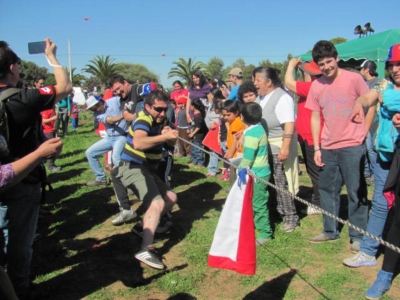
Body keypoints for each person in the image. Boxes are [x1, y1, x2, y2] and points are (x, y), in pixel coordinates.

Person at [0, 38, 72, 299]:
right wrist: (51, 57)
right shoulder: (24, 97)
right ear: (12, 68)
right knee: (19, 243)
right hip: (22, 179)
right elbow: (64, 87)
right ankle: (19, 289)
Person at [305, 40, 370, 251]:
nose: (326, 67)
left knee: (355, 190)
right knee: (327, 189)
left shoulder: (354, 79)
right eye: (321, 64)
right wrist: (317, 147)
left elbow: (369, 102)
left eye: (329, 61)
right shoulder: (316, 86)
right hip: (328, 146)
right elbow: (315, 117)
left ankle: (358, 234)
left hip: (352, 144)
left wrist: (363, 133)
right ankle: (330, 230)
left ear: (337, 58)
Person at [343, 44, 400, 271]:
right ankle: (368, 251)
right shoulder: (384, 85)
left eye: (399, 64)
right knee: (379, 202)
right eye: (392, 64)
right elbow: (369, 97)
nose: (395, 69)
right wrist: (359, 104)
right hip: (385, 154)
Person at [110, 90, 178, 270]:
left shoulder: (162, 120)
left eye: (166, 109)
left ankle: (141, 228)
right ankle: (145, 249)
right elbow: (139, 143)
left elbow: (169, 144)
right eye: (158, 109)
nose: (163, 113)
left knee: (170, 198)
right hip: (132, 167)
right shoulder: (143, 119)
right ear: (147, 107)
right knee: (155, 204)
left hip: (147, 169)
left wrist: (169, 136)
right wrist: (164, 136)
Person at [253, 67, 300, 233]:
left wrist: (285, 147)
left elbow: (289, 124)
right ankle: (276, 211)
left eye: (257, 80)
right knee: (270, 180)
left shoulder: (282, 97)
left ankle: (291, 216)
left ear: (269, 81)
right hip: (265, 146)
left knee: (281, 182)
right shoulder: (261, 98)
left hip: (278, 145)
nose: (255, 83)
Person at [284, 58, 323, 215]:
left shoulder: (313, 87)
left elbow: (289, 83)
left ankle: (320, 203)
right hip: (307, 137)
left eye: (306, 72)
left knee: (316, 172)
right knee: (313, 170)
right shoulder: (312, 85)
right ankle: (318, 197)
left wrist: (290, 66)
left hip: (314, 138)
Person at [238, 102, 272, 245]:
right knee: (253, 201)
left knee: (258, 203)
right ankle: (251, 225)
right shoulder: (259, 128)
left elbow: (248, 158)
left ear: (242, 117)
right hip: (261, 172)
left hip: (257, 174)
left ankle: (265, 232)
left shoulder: (252, 134)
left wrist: (240, 169)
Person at [85, 94, 128, 187]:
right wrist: (124, 116)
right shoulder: (97, 114)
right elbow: (110, 121)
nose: (95, 111)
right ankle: (101, 178)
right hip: (110, 137)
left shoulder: (115, 101)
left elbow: (127, 101)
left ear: (99, 103)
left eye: (94, 108)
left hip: (122, 136)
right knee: (90, 152)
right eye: (92, 109)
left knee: (116, 158)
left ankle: (126, 181)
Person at [355, 60, 380, 186]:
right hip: (361, 120)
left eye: (361, 69)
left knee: (371, 148)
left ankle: (375, 175)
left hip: (374, 121)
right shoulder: (362, 83)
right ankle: (366, 172)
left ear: (367, 69)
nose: (360, 71)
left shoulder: (379, 83)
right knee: (363, 147)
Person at [205, 88, 225, 176]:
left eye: (210, 94)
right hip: (213, 130)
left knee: (225, 150)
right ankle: (212, 170)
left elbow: (224, 117)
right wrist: (210, 125)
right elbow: (207, 118)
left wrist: (219, 125)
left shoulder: (224, 103)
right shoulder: (211, 105)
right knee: (213, 151)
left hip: (223, 130)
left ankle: (227, 171)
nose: (208, 95)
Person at [41, 105, 62, 172]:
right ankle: (51, 166)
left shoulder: (52, 108)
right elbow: (43, 121)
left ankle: (51, 163)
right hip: (48, 131)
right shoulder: (45, 110)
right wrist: (53, 118)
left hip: (53, 130)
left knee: (56, 148)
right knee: (51, 149)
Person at [188, 98, 207, 167]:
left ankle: (200, 163)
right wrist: (190, 130)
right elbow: (194, 125)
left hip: (198, 136)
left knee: (198, 150)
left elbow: (198, 127)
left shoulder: (198, 116)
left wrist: (192, 133)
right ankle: (194, 161)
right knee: (194, 150)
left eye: (191, 106)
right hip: (194, 136)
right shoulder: (195, 115)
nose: (190, 107)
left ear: (193, 106)